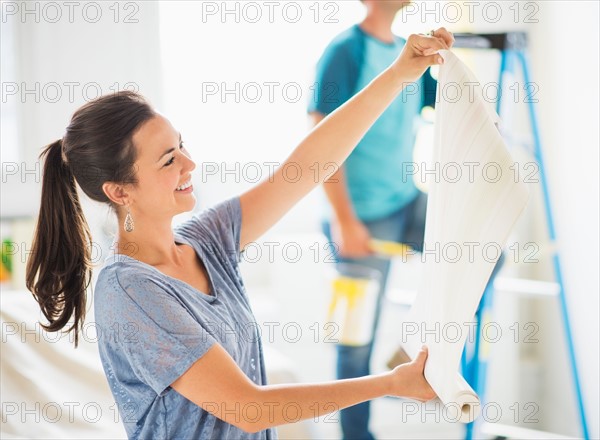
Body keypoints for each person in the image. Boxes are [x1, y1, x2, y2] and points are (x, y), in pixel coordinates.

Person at [25, 28, 454, 439]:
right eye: (168, 159)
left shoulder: (205, 240)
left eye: (183, 145)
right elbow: (249, 409)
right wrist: (388, 384)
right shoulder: (130, 289)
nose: (189, 164)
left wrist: (398, 74)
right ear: (119, 191)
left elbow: (305, 169)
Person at [308, 2, 436, 438]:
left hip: (406, 202)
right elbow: (318, 138)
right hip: (356, 216)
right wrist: (344, 220)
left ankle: (412, 352)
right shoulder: (344, 52)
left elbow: (449, 101)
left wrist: (446, 56)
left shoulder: (406, 51)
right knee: (353, 341)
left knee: (486, 254)